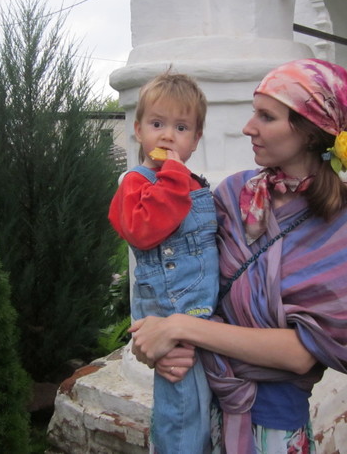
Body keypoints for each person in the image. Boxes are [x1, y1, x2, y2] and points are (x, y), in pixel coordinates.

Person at [129, 59, 347, 454]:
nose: (248, 127)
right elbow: (177, 280)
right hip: (192, 406)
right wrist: (154, 344)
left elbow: (301, 354)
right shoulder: (230, 195)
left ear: (309, 131)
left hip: (272, 430)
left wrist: (180, 329)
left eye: (266, 116)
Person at [109, 72, 219, 454]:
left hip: (203, 316)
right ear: (138, 130)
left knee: (207, 411)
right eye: (157, 124)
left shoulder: (193, 182)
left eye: (181, 127)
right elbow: (142, 231)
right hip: (170, 315)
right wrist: (173, 177)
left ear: (196, 139)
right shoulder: (136, 182)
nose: (168, 136)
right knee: (182, 415)